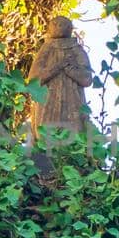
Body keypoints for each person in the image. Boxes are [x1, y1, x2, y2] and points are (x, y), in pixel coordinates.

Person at [26, 16, 93, 144]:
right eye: (55, 24)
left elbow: (87, 79)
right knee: (44, 138)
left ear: (70, 28)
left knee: (75, 138)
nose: (59, 27)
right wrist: (57, 67)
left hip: (73, 103)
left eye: (63, 24)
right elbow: (34, 80)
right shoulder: (46, 49)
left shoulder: (77, 50)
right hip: (47, 103)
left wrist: (69, 69)